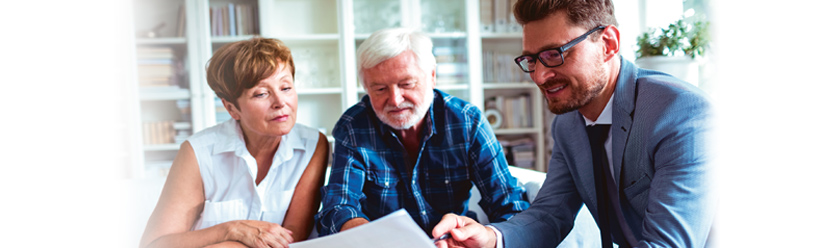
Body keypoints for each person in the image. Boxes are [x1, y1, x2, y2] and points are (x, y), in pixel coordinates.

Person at [432, 0, 715, 247]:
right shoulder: (568, 124)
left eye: (555, 54)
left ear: (608, 44)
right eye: (532, 60)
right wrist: (491, 238)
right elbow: (550, 214)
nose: (540, 76)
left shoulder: (679, 112)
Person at [315, 28, 530, 237]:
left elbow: (509, 203)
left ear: (432, 76)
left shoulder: (467, 121)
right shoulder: (353, 126)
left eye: (406, 84)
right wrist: (367, 235)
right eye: (380, 89)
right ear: (366, 88)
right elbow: (338, 206)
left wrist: (485, 236)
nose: (395, 100)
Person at [139, 37, 330, 248]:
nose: (280, 102)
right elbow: (155, 244)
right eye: (261, 93)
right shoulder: (198, 153)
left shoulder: (313, 145)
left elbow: (291, 241)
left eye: (286, 88)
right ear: (231, 109)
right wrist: (230, 229)